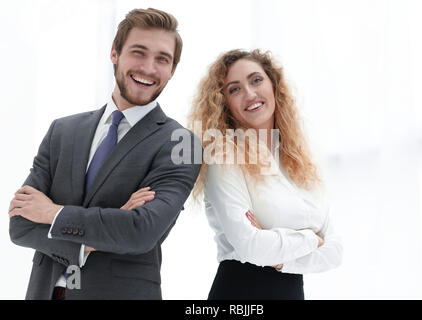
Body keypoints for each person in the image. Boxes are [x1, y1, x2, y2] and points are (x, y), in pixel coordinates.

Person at [8, 8, 201, 300]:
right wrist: (96, 237)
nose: (149, 68)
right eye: (139, 52)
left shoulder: (180, 144)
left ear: (172, 70)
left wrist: (52, 214)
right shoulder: (62, 131)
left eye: (162, 59)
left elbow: (140, 231)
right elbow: (20, 225)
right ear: (115, 53)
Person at [188, 49, 343, 300]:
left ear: (274, 86)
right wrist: (311, 238)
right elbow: (252, 248)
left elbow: (336, 252)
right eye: (234, 89)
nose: (250, 93)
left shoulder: (298, 160)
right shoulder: (224, 157)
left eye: (256, 80)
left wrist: (280, 260)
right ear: (224, 103)